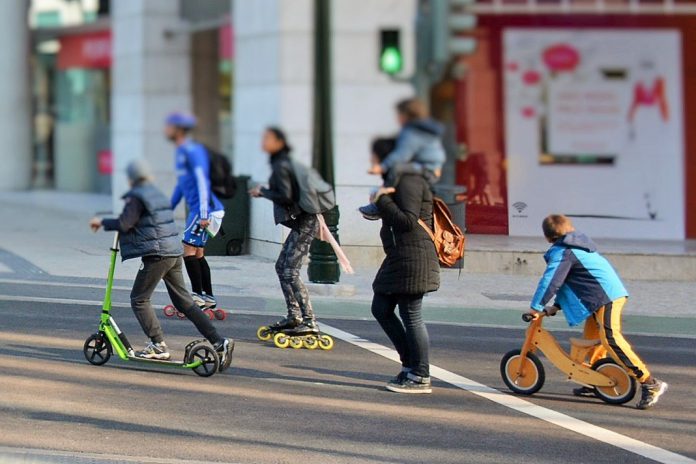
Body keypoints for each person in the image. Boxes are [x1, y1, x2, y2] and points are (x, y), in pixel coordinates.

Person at [89, 160, 234, 370]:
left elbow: (125, 223)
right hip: (173, 251)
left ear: (131, 179)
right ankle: (219, 341)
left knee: (139, 299)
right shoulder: (155, 194)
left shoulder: (137, 196)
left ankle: (158, 345)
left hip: (158, 254)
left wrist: (102, 222)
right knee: (185, 303)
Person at [525, 214, 667, 410]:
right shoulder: (576, 247)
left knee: (610, 339)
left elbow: (551, 281)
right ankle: (597, 379)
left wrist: (536, 307)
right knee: (592, 340)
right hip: (598, 298)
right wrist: (556, 306)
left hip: (606, 297)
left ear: (548, 237)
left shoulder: (564, 252)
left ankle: (649, 382)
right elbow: (569, 282)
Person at [369, 137, 441, 394]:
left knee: (411, 314)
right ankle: (410, 364)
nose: (373, 162)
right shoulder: (397, 180)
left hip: (415, 256)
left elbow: (408, 221)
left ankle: (420, 374)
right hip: (401, 256)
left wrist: (382, 200)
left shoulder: (410, 180)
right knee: (381, 307)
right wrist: (377, 203)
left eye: (376, 157)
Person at [248, 127, 320, 335]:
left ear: (279, 142)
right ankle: (294, 315)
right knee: (282, 266)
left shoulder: (282, 164)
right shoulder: (280, 163)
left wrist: (263, 192)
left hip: (306, 221)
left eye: (267, 138)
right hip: (301, 221)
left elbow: (286, 196)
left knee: (290, 270)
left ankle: (309, 320)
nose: (263, 142)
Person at [165, 112, 225, 310]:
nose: (165, 130)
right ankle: (207, 297)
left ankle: (198, 296)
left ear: (179, 129)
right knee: (197, 252)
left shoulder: (191, 150)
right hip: (202, 209)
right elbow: (181, 186)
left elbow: (202, 181)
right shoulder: (181, 151)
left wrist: (204, 213)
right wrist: (167, 209)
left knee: (187, 249)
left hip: (203, 209)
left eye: (169, 126)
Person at [359, 98, 446, 220]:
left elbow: (402, 155)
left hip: (426, 167)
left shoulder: (412, 132)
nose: (397, 118)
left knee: (397, 168)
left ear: (405, 115)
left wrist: (382, 166)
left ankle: (381, 200)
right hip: (431, 166)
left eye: (398, 114)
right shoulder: (424, 129)